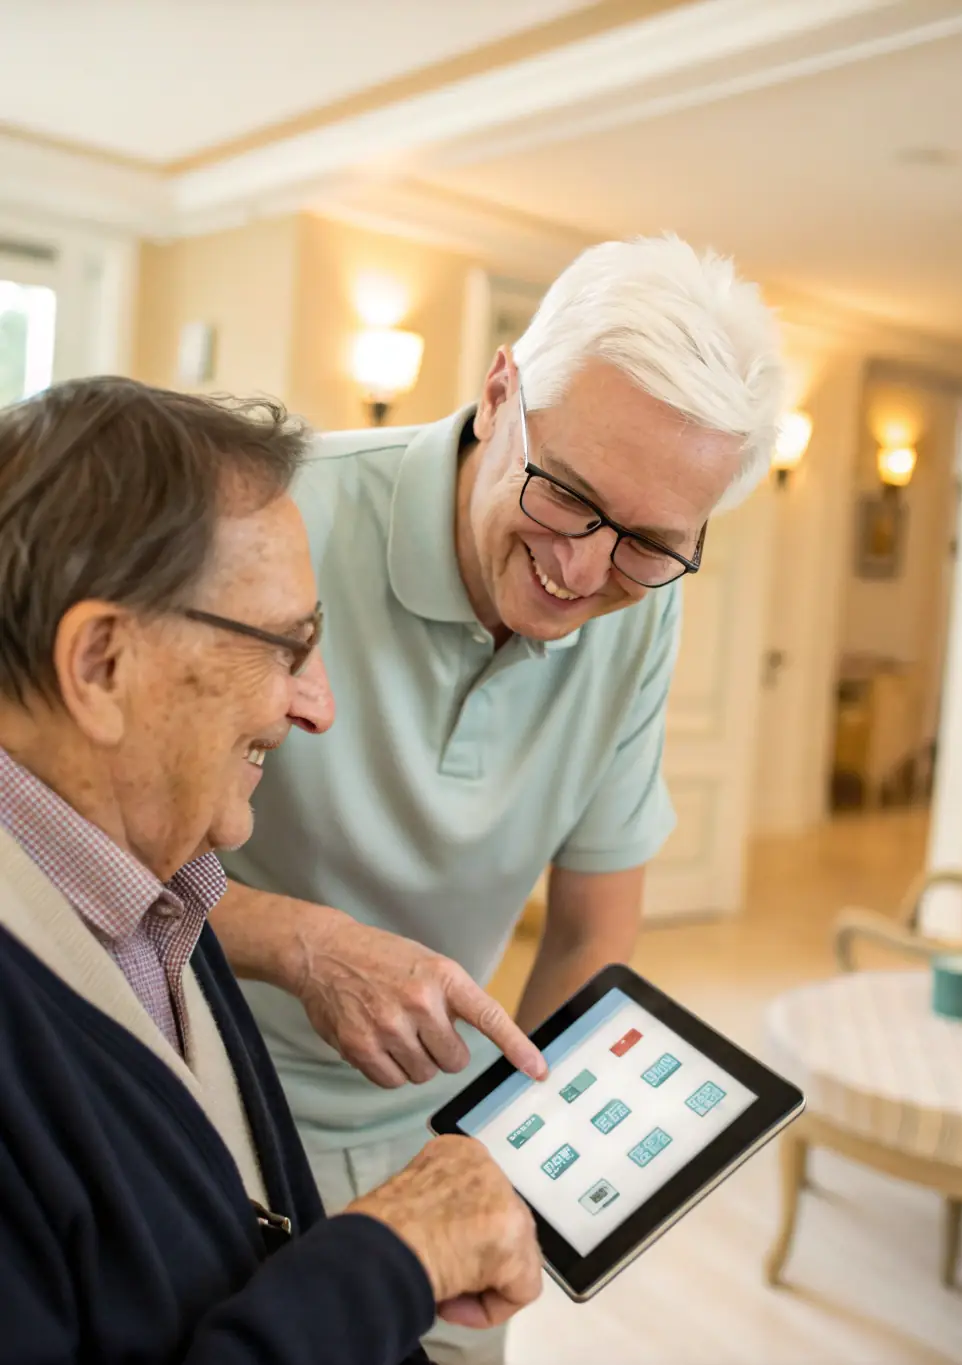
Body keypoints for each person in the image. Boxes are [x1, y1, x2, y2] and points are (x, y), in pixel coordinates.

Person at [215, 235, 785, 1363]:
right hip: (210, 1105)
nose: (582, 574)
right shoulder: (275, 522)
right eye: (567, 495)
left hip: (446, 1131)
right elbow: (56, 850)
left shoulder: (644, 608)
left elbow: (590, 933)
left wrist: (504, 1154)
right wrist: (306, 944)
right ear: (498, 389)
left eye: (647, 545)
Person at [0, 377, 543, 1365]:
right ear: (100, 666)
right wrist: (393, 1257)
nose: (316, 707)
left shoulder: (165, 889)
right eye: (287, 648)